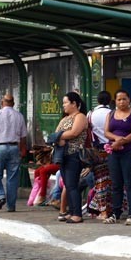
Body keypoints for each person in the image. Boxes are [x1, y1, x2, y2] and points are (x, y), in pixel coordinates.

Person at [104, 89, 131, 226]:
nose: (122, 102)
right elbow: (106, 132)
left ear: (129, 100)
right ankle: (116, 213)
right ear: (115, 101)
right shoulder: (111, 114)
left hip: (129, 152)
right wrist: (116, 139)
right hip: (114, 152)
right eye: (119, 99)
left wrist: (121, 141)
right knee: (116, 184)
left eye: (124, 99)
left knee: (129, 183)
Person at [0, 93, 28, 212]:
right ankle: (11, 206)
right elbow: (23, 136)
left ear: (2, 103)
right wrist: (22, 150)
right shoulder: (19, 116)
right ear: (13, 103)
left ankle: (0, 196)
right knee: (12, 178)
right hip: (14, 148)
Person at [53, 92, 88, 223]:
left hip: (74, 154)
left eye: (65, 102)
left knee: (72, 185)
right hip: (63, 155)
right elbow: (56, 133)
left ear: (74, 104)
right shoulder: (65, 119)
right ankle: (72, 211)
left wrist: (60, 136)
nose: (64, 105)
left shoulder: (80, 117)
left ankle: (77, 214)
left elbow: (74, 132)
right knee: (67, 184)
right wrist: (59, 136)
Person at [87, 91, 113, 220]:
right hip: (113, 150)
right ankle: (109, 209)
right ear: (110, 101)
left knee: (100, 181)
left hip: (97, 152)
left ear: (97, 100)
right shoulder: (113, 114)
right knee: (112, 181)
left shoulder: (91, 115)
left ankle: (103, 211)